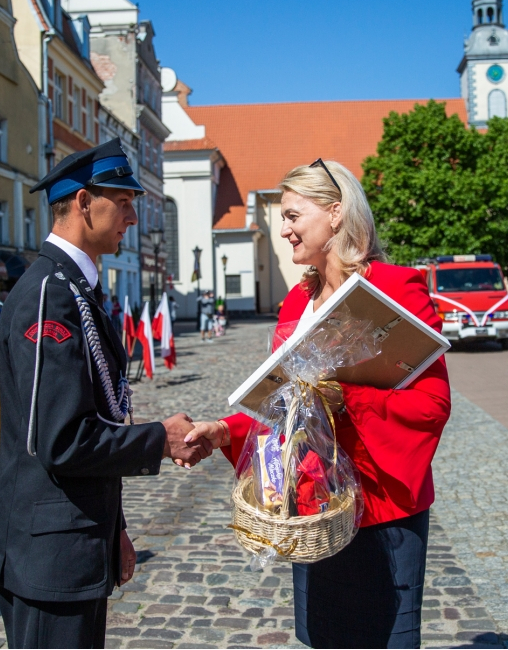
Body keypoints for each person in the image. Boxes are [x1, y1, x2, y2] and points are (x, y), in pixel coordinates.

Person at [188, 159, 450, 649]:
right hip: (313, 507)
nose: (284, 230)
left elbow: (432, 405)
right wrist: (227, 430)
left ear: (336, 213)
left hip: (382, 507)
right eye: (282, 218)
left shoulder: (395, 287)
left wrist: (347, 395)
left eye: (292, 216)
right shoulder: (295, 302)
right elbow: (283, 406)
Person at [0, 139, 210, 649]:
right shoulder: (50, 295)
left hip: (76, 542)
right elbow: (62, 440)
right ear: (85, 203)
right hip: (48, 556)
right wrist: (161, 439)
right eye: (125, 202)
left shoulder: (74, 290)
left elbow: (102, 413)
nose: (133, 216)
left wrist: (115, 529)